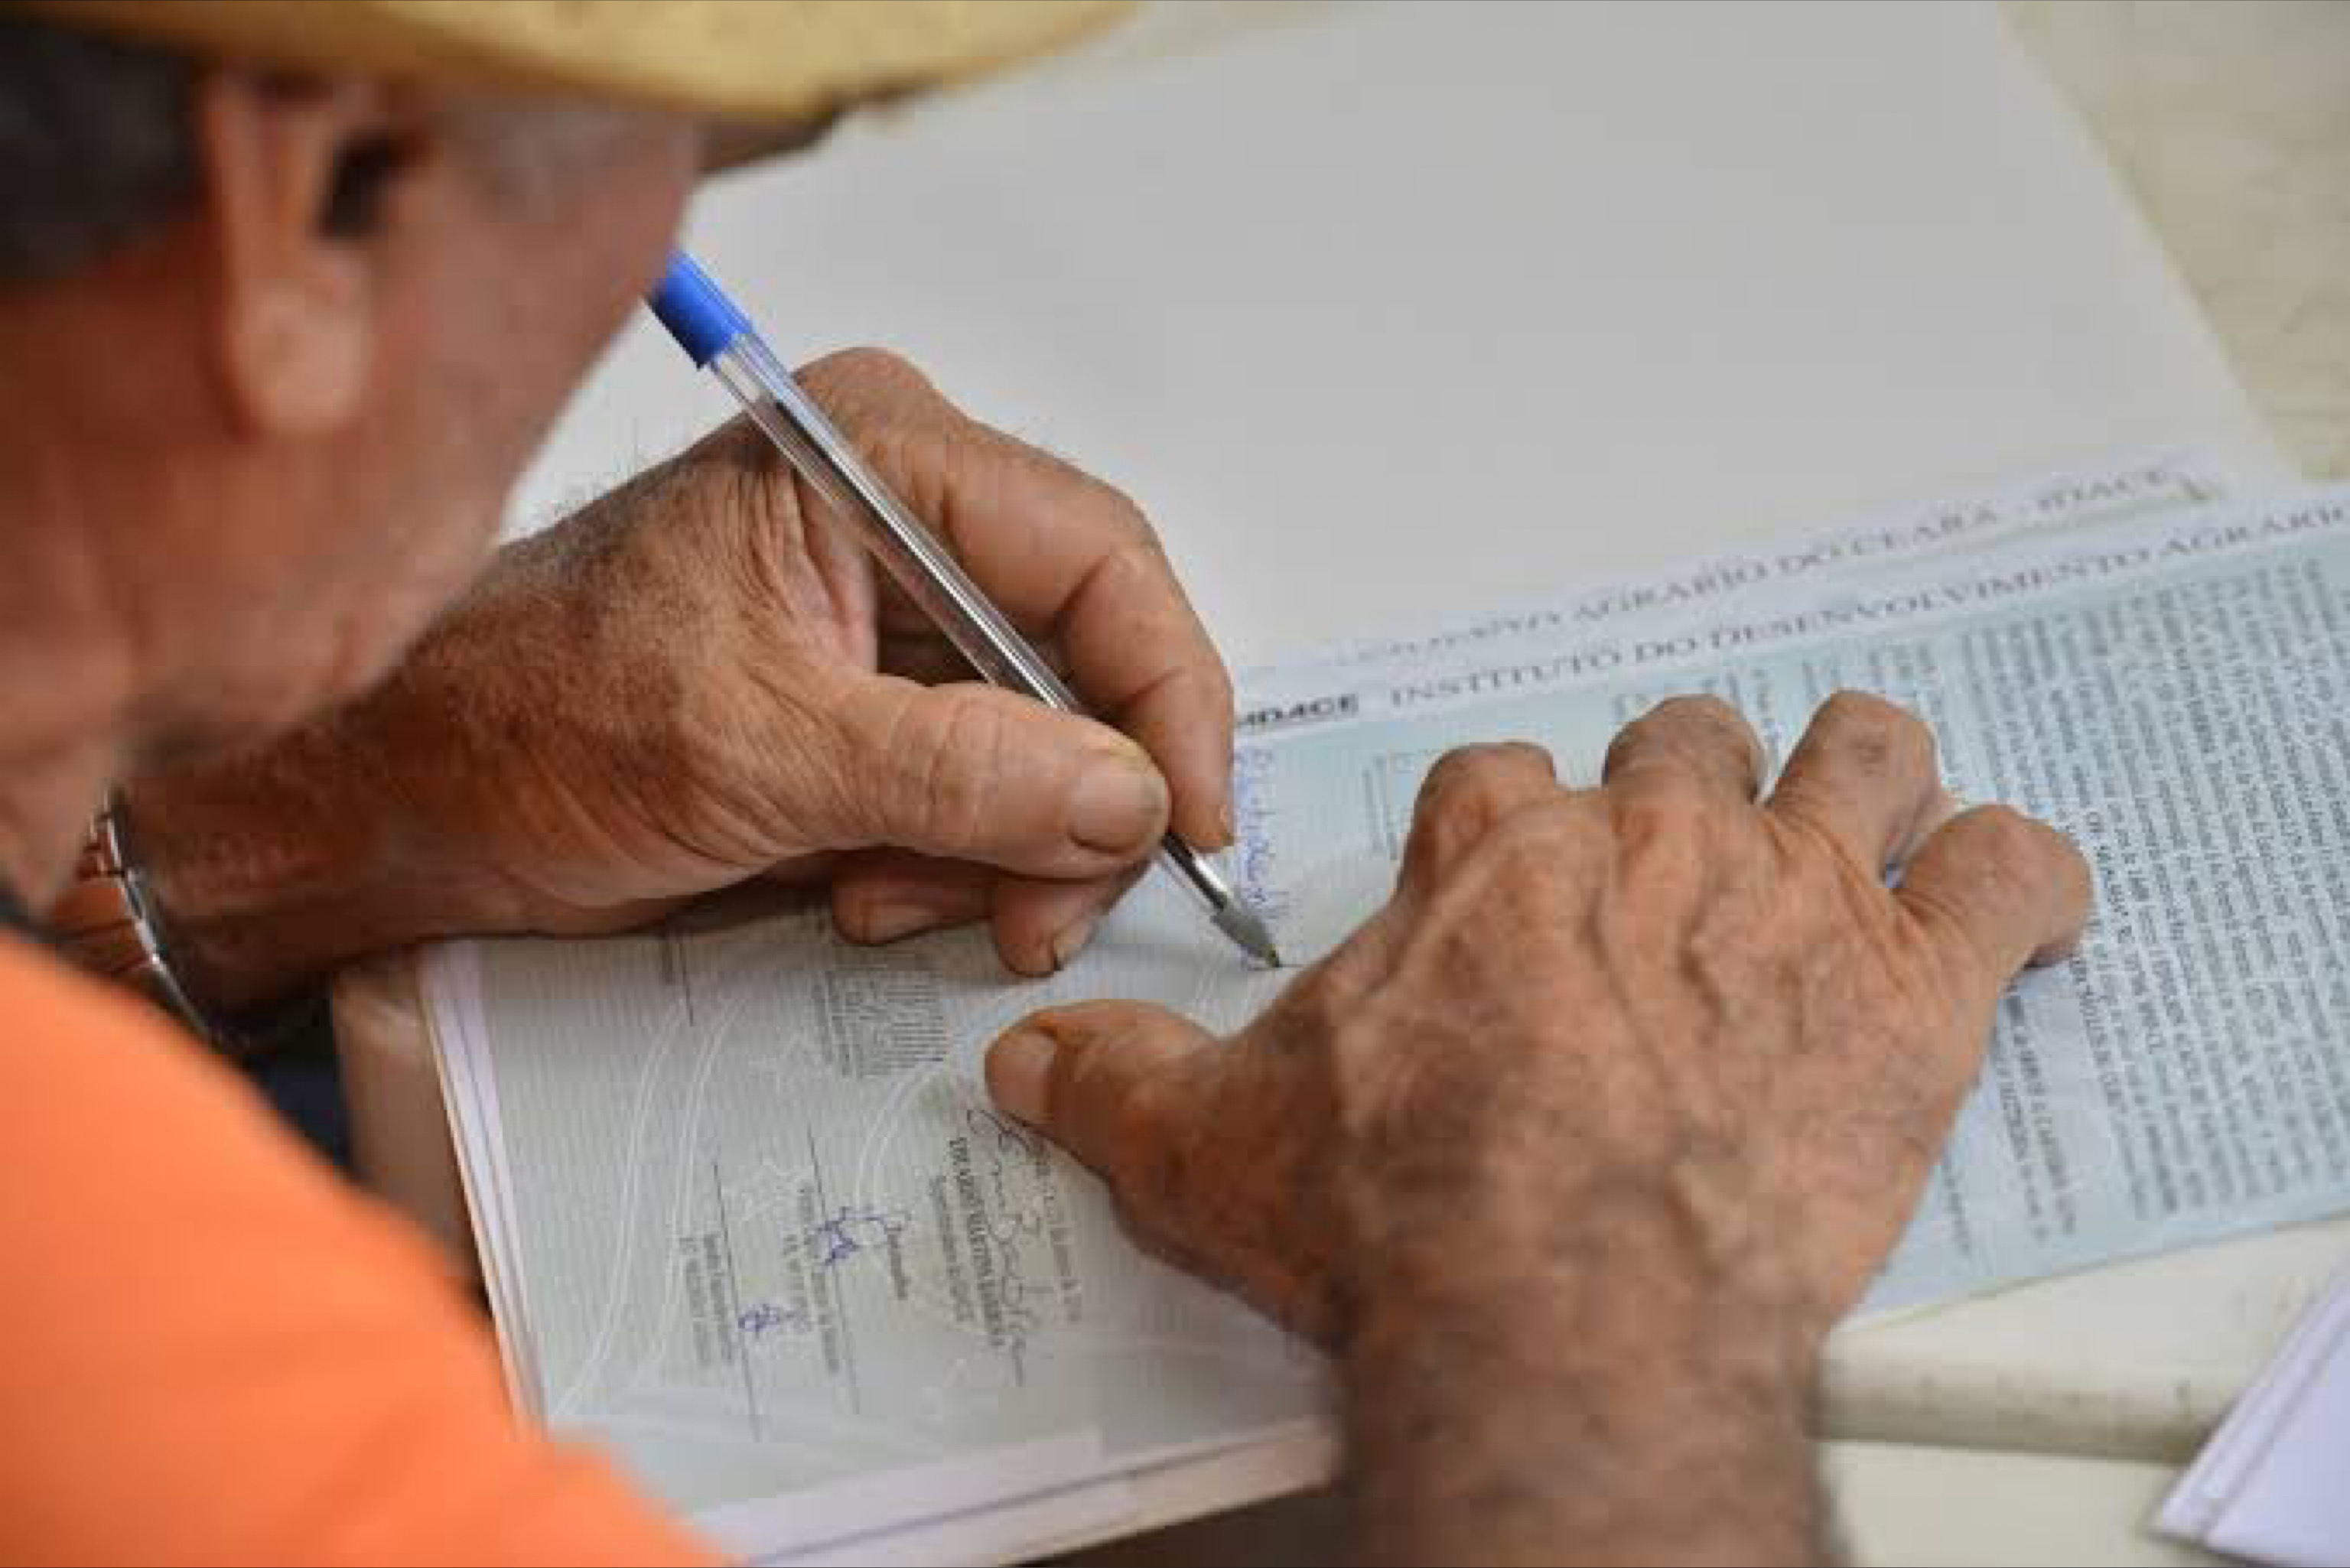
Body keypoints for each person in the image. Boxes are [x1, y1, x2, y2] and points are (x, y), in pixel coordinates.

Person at [0, 3, 2091, 1563]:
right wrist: (1578, 1247)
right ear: (314, 204)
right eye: (705, 140)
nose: (686, 211)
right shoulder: (116, 1348)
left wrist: (250, 796)